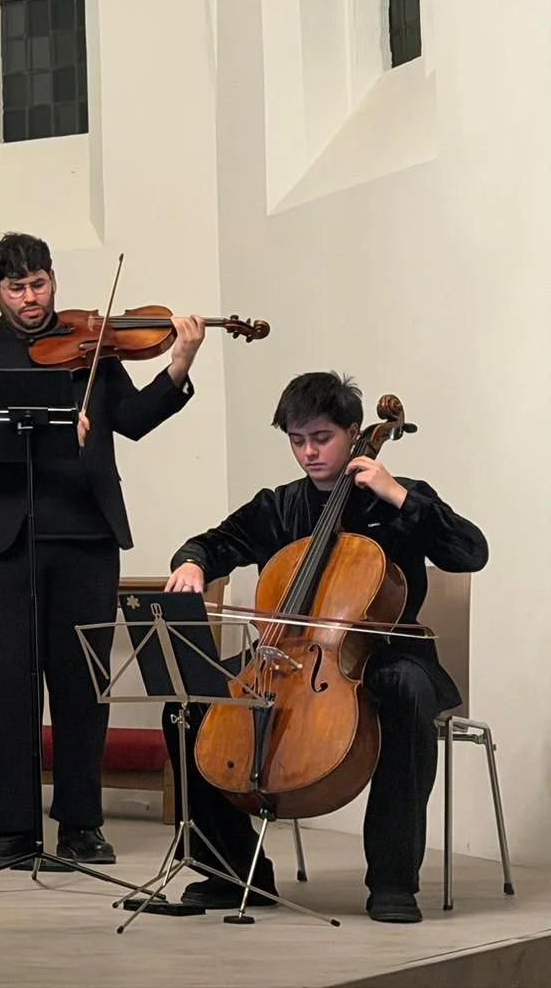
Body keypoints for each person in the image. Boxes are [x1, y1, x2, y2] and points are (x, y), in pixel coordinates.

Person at [163, 371, 488, 923]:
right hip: (289, 656)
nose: (309, 452)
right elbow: (215, 542)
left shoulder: (399, 497)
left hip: (389, 653)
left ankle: (392, 881)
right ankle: (233, 872)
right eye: (297, 440)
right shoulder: (280, 506)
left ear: (354, 432)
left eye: (322, 438)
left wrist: (397, 494)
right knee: (185, 705)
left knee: (406, 693)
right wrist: (192, 561)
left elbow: (470, 551)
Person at [0, 232, 203, 867]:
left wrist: (181, 362)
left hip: (85, 533)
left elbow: (134, 420)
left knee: (83, 686)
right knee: (3, 684)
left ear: (53, 279)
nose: (31, 299)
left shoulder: (94, 347)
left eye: (40, 284)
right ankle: (10, 830)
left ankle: (81, 824)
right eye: (17, 288)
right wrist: (40, 429)